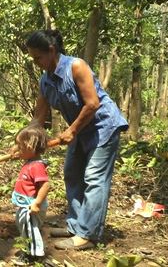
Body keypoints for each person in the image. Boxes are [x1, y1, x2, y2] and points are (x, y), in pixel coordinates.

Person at [24, 30, 128, 250]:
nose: (35, 63)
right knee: (72, 173)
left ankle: (87, 235)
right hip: (81, 131)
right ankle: (75, 225)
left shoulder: (76, 67)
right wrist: (26, 138)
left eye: (37, 58)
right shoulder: (46, 80)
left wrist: (71, 130)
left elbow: (92, 104)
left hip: (103, 128)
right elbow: (39, 117)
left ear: (51, 51)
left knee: (94, 178)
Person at [10, 126, 50, 257]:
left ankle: (34, 255)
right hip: (25, 204)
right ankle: (29, 249)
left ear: (30, 148)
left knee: (30, 230)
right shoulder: (30, 160)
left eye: (20, 146)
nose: (18, 149)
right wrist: (16, 151)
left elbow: (45, 185)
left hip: (31, 205)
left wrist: (37, 203)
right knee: (24, 227)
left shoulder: (37, 166)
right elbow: (19, 152)